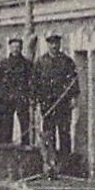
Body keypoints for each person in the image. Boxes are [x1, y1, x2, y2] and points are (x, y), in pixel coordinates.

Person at [33, 33, 79, 167]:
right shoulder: (41, 62)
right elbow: (35, 83)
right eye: (51, 43)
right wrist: (36, 101)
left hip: (63, 104)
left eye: (56, 43)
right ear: (47, 45)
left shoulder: (67, 61)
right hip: (47, 105)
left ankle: (65, 164)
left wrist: (73, 98)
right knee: (48, 134)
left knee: (64, 133)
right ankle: (50, 163)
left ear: (60, 44)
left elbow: (74, 81)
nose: (54, 46)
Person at [0, 37, 33, 145]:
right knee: (7, 124)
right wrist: (2, 96)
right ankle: (7, 147)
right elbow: (0, 80)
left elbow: (31, 81)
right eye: (13, 47)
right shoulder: (4, 63)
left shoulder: (27, 64)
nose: (15, 49)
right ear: (10, 48)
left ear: (21, 48)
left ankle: (25, 146)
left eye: (17, 47)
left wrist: (29, 95)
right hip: (8, 98)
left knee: (24, 124)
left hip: (22, 97)